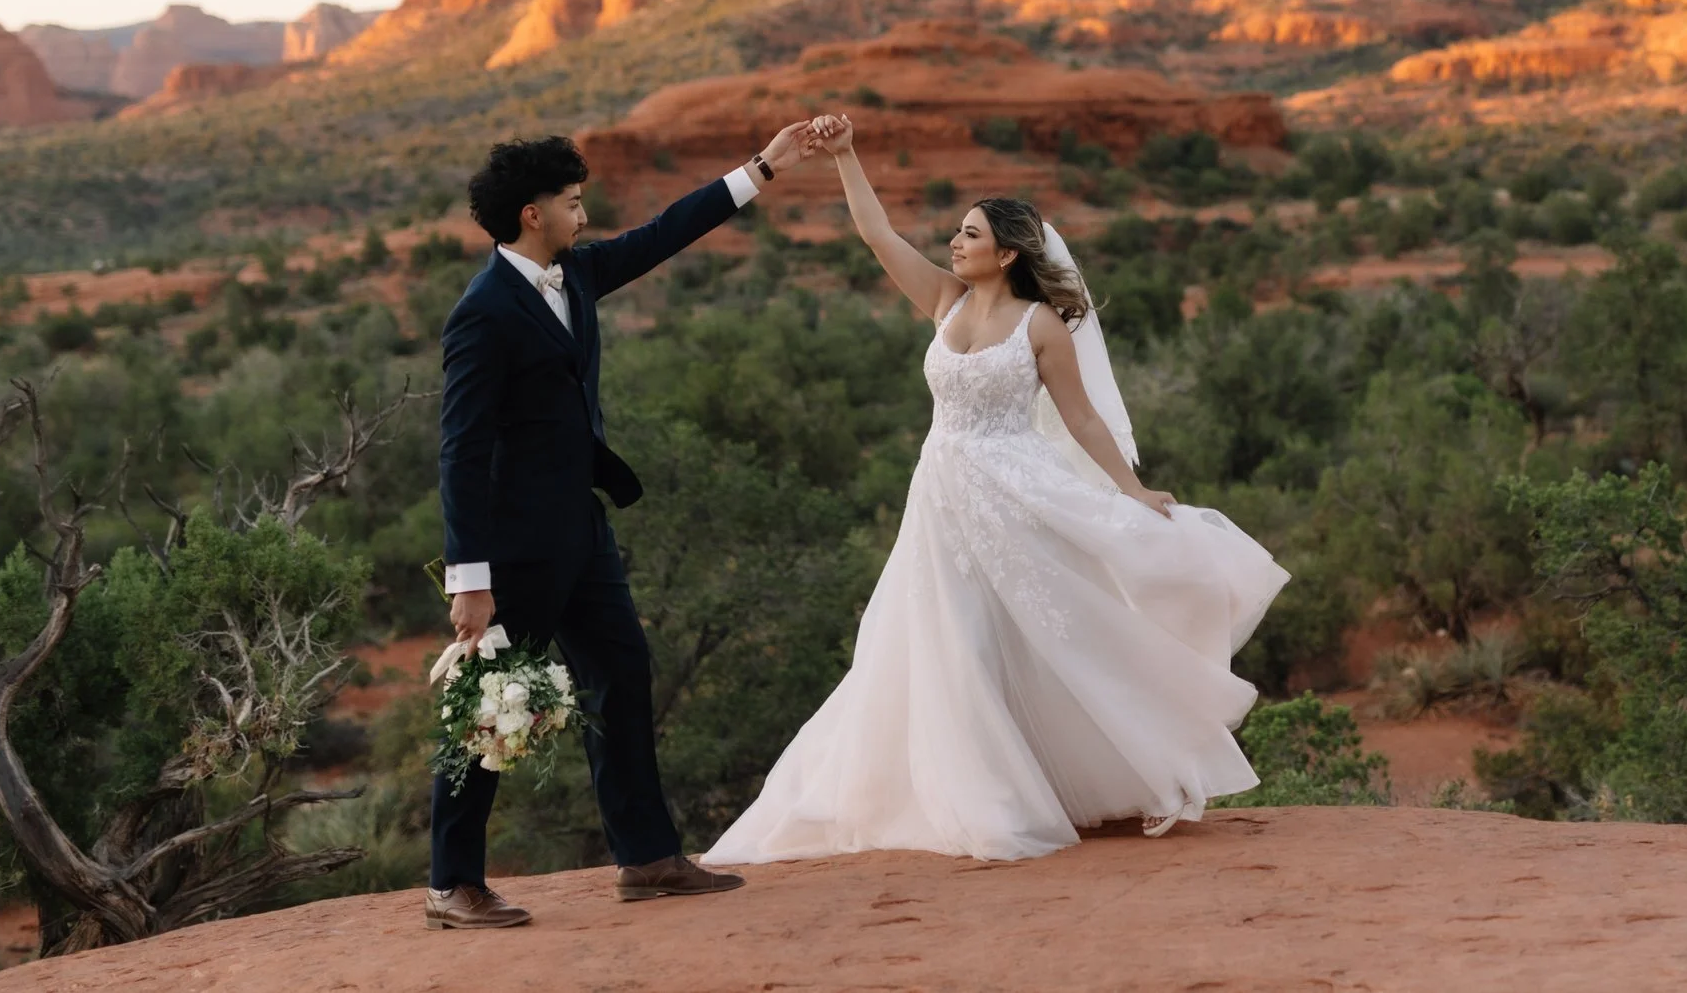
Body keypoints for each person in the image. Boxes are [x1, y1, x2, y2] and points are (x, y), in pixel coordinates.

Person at [706, 112, 1288, 864]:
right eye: (958, 231)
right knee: (952, 643)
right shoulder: (943, 300)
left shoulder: (1040, 323)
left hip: (1019, 496)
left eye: (971, 234)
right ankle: (988, 798)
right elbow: (878, 235)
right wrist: (847, 157)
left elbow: (1078, 415)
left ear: (1008, 251)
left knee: (1052, 640)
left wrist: (1129, 489)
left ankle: (1143, 774)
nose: (955, 241)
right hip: (942, 499)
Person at [427, 125, 811, 929]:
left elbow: (664, 233)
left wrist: (762, 168)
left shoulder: (579, 271)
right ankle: (451, 881)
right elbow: (460, 449)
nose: (584, 211)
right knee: (490, 705)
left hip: (583, 529)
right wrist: (470, 579)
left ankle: (646, 857)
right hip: (514, 546)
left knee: (624, 674)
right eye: (572, 201)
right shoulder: (482, 313)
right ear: (533, 215)